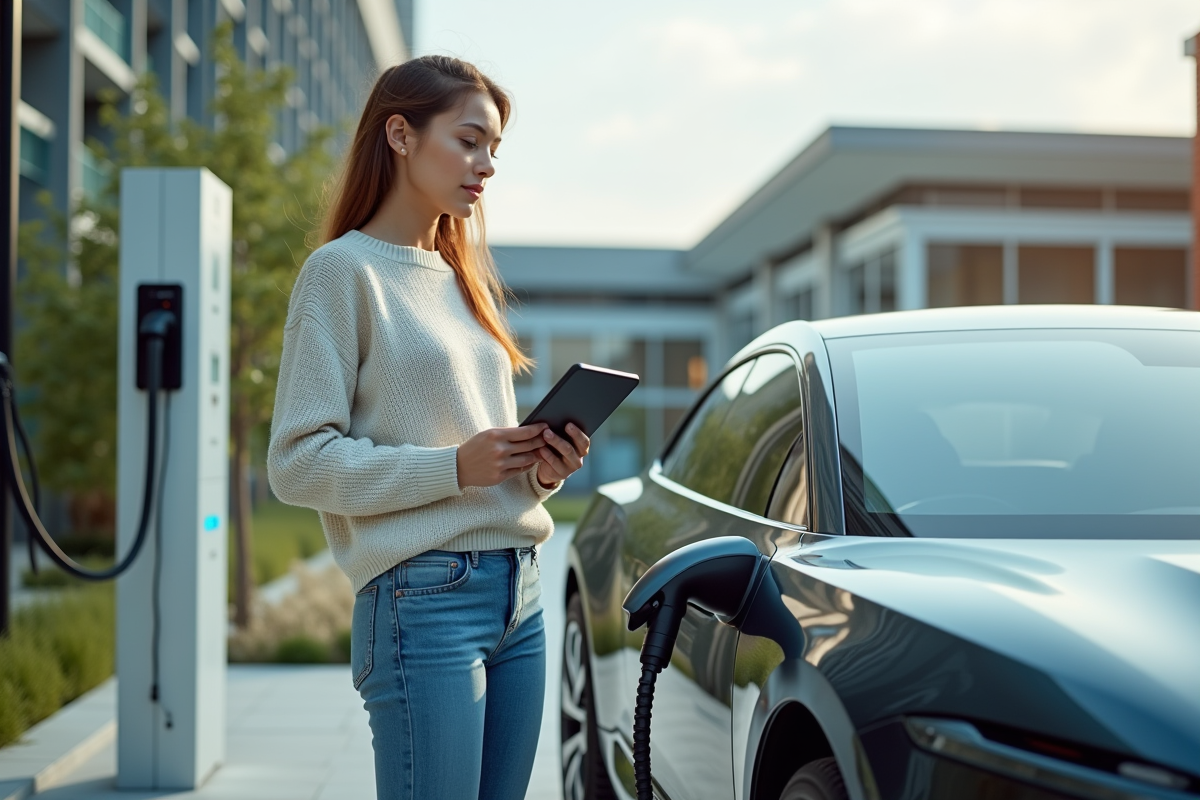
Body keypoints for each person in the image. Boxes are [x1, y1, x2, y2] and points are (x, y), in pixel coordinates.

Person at [266, 55, 588, 800]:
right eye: (471, 140)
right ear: (401, 135)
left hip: (520, 590)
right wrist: (453, 469)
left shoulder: (462, 276)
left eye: (494, 151)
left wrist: (541, 468)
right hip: (423, 599)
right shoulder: (341, 273)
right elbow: (297, 461)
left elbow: (484, 453)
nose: (486, 165)